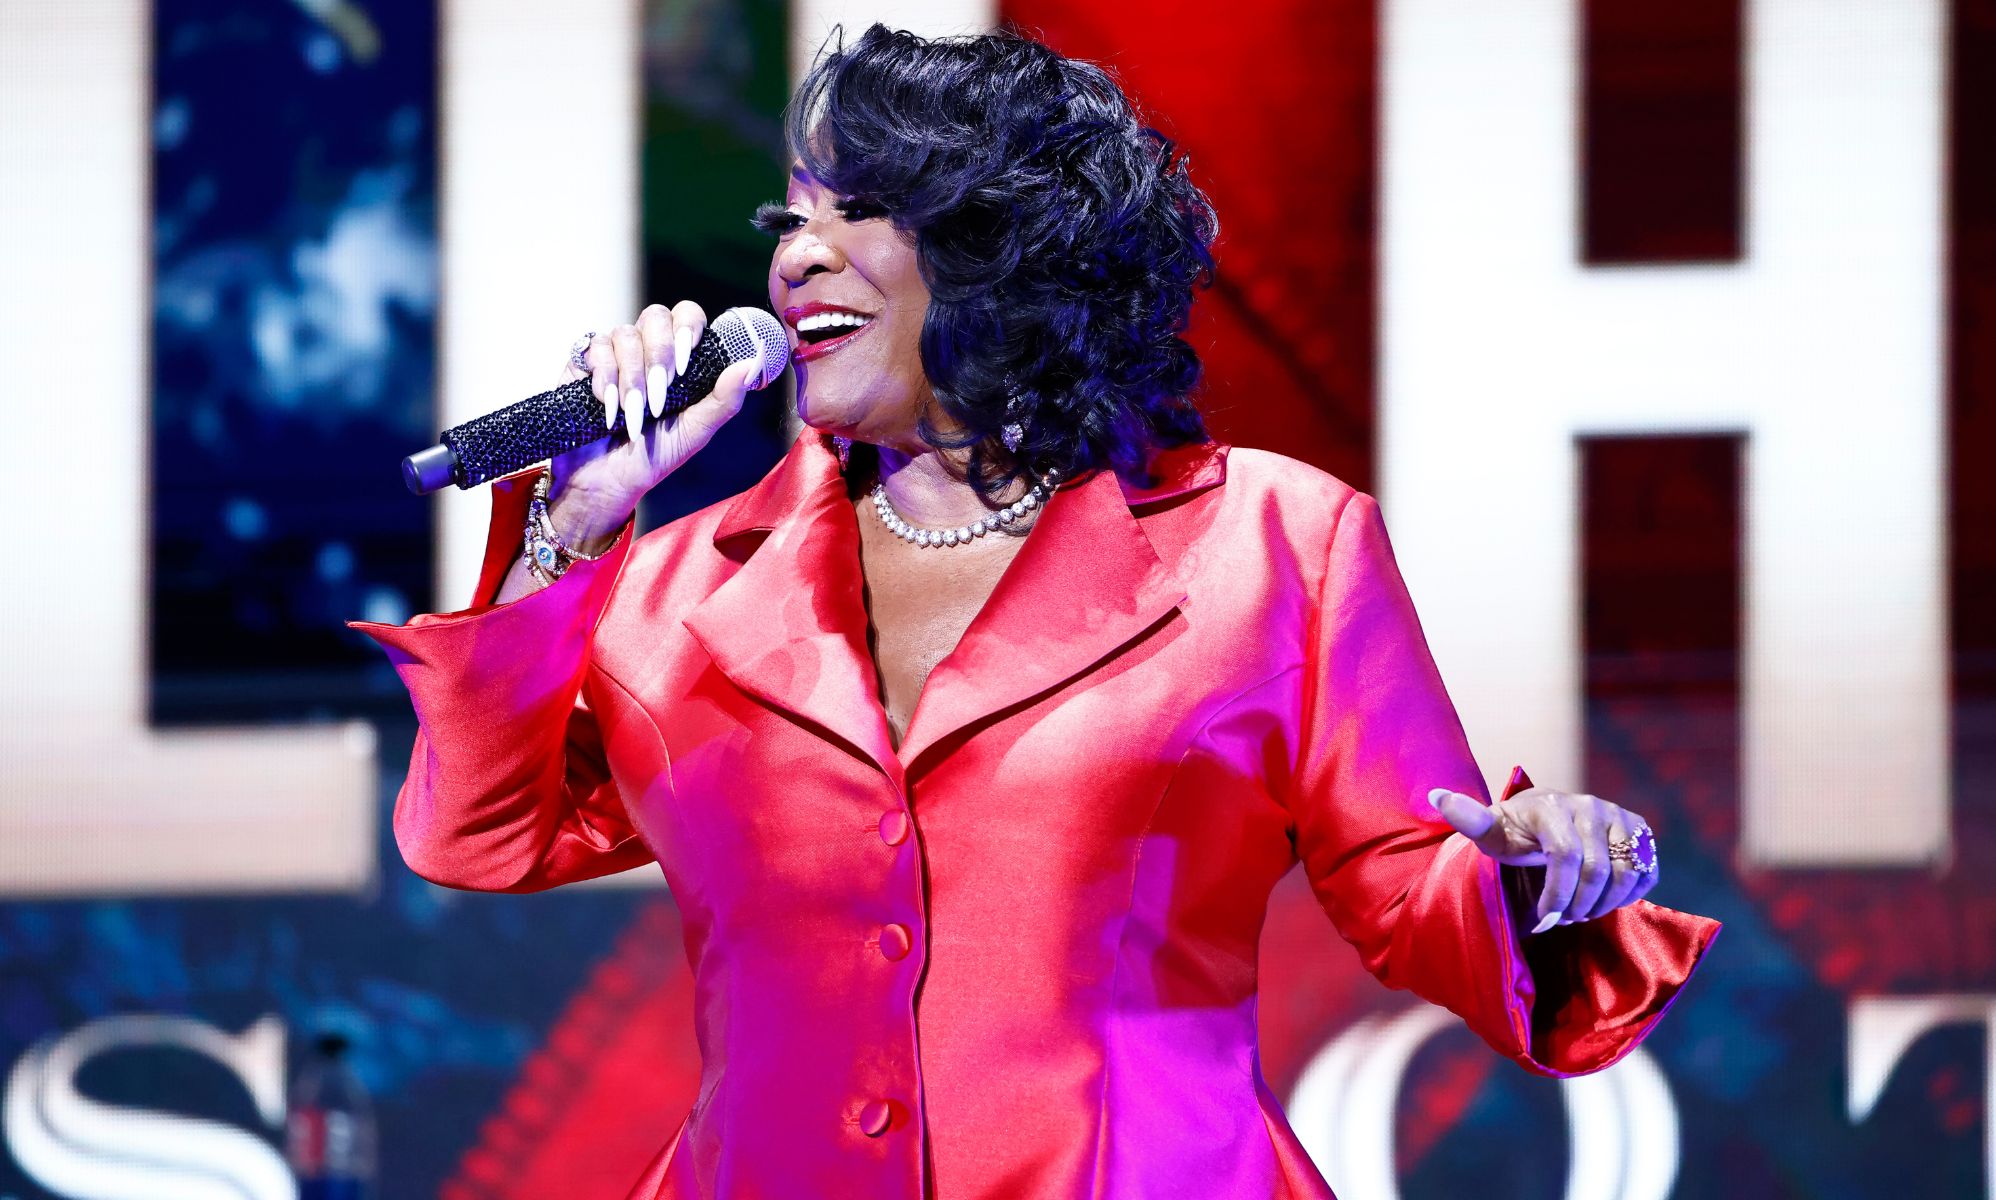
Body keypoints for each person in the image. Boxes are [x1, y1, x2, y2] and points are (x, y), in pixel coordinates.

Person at [353, 24, 1718, 1199]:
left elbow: (1417, 885)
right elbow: (483, 834)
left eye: (858, 212)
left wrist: (1542, 878)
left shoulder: (1270, 548)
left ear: (1014, 243)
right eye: (790, 221)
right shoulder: (690, 585)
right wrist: (578, 524)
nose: (796, 263)